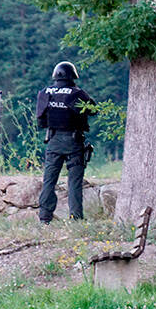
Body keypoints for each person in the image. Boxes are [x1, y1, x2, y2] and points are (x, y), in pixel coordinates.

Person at [36, 61, 96, 223]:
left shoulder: (45, 92)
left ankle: (44, 218)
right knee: (74, 182)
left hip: (53, 141)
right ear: (72, 76)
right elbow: (93, 110)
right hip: (73, 142)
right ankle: (75, 218)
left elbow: (40, 121)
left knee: (49, 180)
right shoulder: (76, 93)